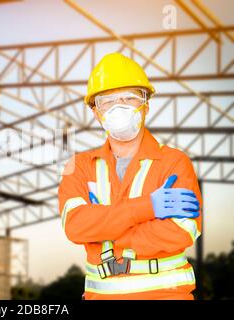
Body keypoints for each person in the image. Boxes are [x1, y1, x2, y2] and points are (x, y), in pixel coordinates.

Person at [58, 52, 203, 300]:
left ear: (146, 104)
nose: (118, 107)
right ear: (95, 112)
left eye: (129, 98)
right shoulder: (79, 166)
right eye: (107, 101)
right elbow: (75, 226)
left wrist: (102, 232)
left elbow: (180, 232)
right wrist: (148, 207)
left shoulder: (175, 162)